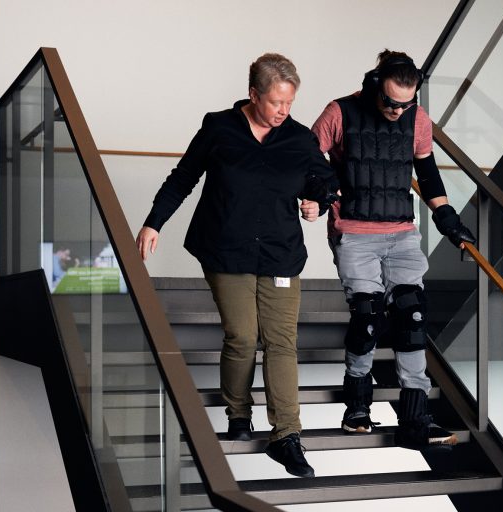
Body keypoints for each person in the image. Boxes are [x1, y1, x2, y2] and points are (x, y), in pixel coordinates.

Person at [137, 53, 335, 477]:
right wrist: (154, 222)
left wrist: (319, 201)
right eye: (276, 102)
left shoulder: (299, 138)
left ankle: (287, 436)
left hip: (280, 252)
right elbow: (183, 177)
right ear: (253, 94)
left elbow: (324, 179)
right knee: (243, 335)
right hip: (226, 248)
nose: (284, 111)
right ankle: (239, 414)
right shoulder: (219, 128)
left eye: (290, 102)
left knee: (281, 341)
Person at [302, 49, 475, 448]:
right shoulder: (340, 112)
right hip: (354, 231)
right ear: (374, 84)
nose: (398, 111)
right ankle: (357, 407)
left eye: (406, 104)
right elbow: (306, 155)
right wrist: (320, 192)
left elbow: (427, 173)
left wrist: (446, 217)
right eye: (391, 102)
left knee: (412, 315)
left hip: (402, 233)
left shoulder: (418, 119)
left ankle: (416, 420)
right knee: (367, 316)